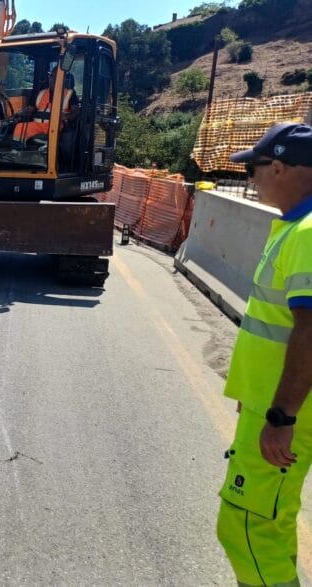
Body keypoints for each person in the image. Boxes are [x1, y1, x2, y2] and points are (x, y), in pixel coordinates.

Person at [216, 122, 312, 586]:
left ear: (279, 167)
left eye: (253, 168)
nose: (251, 179)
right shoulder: (294, 227)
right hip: (271, 405)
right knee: (270, 521)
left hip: (285, 412)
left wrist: (280, 415)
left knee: (247, 526)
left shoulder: (307, 234)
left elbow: (310, 330)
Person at [12, 65, 78, 144]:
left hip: (56, 126)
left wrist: (66, 117)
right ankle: (16, 150)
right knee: (19, 127)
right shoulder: (41, 92)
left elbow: (76, 112)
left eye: (56, 77)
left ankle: (47, 146)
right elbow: (30, 109)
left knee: (54, 133)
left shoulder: (70, 94)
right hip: (38, 125)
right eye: (51, 76)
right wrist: (20, 113)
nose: (52, 79)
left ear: (63, 79)